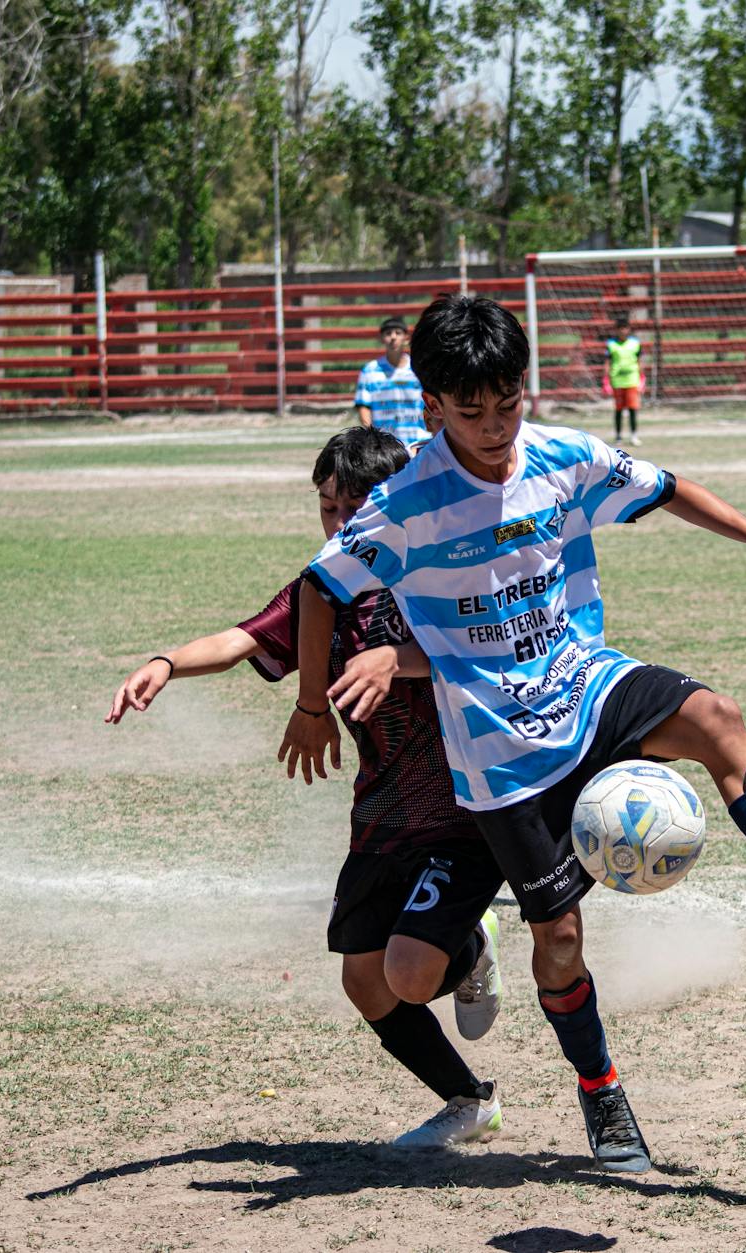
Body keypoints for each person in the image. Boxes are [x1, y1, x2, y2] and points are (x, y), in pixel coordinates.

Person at [282, 295, 746, 1175]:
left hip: (586, 681)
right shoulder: (405, 504)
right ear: (430, 408)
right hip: (501, 752)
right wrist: (313, 705)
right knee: (558, 941)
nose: (496, 428)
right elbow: (317, 588)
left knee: (718, 718)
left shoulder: (563, 456)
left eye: (509, 403)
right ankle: (601, 1091)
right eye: (472, 412)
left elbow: (664, 486)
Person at [106, 427, 507, 1148]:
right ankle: (466, 1099)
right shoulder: (322, 591)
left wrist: (396, 659)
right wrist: (166, 662)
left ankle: (468, 943)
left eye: (352, 508)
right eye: (326, 507)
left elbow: (484, 654)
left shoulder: (442, 571)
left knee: (411, 969)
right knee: (365, 980)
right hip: (383, 809)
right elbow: (240, 640)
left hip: (462, 807)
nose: (338, 524)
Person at [353, 317, 428, 450]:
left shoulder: (419, 367)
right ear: (381, 338)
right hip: (385, 444)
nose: (393, 337)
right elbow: (363, 406)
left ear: (406, 337)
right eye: (388, 333)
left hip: (418, 440)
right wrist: (372, 436)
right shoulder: (370, 370)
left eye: (398, 333)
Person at [604, 313, 643, 446]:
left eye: (625, 328)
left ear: (629, 329)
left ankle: (634, 435)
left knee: (633, 409)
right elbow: (607, 362)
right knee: (618, 410)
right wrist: (606, 380)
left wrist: (642, 378)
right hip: (617, 381)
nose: (623, 331)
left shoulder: (635, 343)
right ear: (616, 330)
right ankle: (618, 436)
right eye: (620, 328)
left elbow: (639, 361)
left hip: (632, 380)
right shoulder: (611, 344)